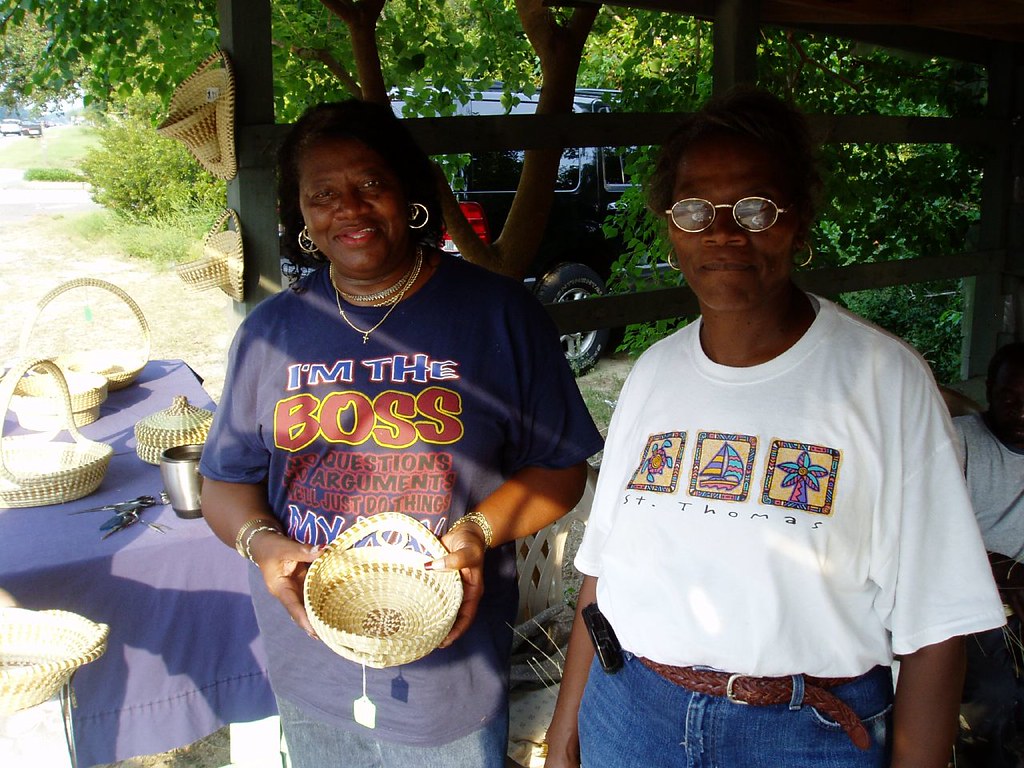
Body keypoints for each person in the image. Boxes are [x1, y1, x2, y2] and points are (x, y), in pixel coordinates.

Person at [544, 87, 1006, 768]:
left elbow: (937, 627)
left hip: (806, 734)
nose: (725, 232)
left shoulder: (884, 382)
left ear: (798, 219)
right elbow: (600, 579)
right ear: (671, 225)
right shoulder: (653, 376)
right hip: (632, 713)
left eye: (756, 207)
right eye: (696, 208)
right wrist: (563, 739)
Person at [198, 99, 602, 768]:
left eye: (370, 184)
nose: (349, 208)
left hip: (449, 668)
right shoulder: (270, 333)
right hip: (311, 660)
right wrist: (261, 542)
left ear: (408, 192)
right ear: (300, 214)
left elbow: (560, 469)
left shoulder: (497, 315)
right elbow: (224, 480)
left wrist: (476, 530)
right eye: (322, 193)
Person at [954, 342, 1024, 767]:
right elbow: (933, 534)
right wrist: (1009, 572)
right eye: (1009, 398)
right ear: (990, 392)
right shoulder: (959, 441)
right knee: (995, 695)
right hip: (972, 597)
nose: (1020, 412)